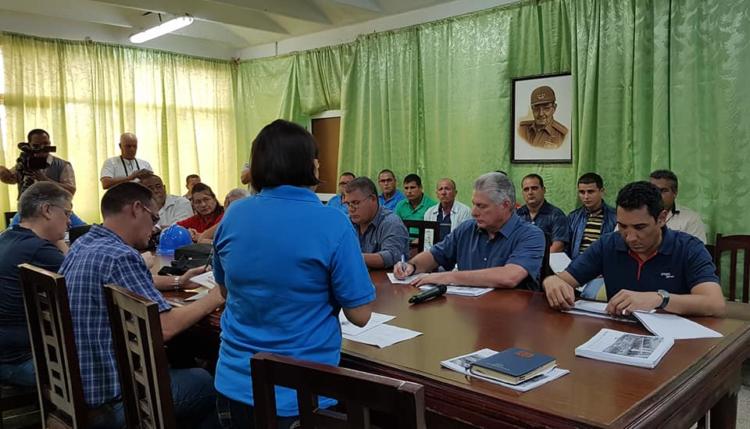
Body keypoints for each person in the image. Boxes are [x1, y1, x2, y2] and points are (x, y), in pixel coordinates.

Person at [212, 119, 374, 428]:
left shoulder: (234, 214)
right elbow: (361, 314)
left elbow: (225, 290)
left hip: (233, 385)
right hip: (301, 394)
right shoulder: (332, 223)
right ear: (311, 165)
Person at [59, 182, 223, 428]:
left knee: (182, 358)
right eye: (154, 217)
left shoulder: (84, 244)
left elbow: (124, 282)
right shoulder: (121, 256)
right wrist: (216, 295)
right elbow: (164, 327)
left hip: (78, 385)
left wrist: (177, 281)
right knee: (207, 382)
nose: (155, 227)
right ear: (137, 209)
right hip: (113, 396)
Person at [543, 181, 725, 317]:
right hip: (618, 332)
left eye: (640, 227)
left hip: (676, 339)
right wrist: (551, 282)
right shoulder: (608, 244)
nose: (630, 237)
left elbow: (715, 303)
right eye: (623, 226)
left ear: (661, 219)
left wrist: (659, 299)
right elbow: (564, 280)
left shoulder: (689, 248)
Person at [394, 172, 545, 290]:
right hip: (468, 311)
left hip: (510, 314)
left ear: (505, 205)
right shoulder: (467, 228)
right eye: (474, 204)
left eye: (481, 206)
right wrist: (411, 266)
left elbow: (509, 277)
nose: (474, 212)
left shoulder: (531, 235)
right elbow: (435, 255)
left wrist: (446, 277)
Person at [0, 182, 71, 387]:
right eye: (66, 213)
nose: (69, 222)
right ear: (47, 210)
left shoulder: (7, 238)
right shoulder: (38, 250)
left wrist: (55, 238)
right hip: (21, 362)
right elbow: (84, 279)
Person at [345, 177, 409, 269]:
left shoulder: (391, 222)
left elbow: (391, 256)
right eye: (348, 204)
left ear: (373, 199)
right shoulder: (347, 222)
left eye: (355, 203)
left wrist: (351, 257)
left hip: (385, 276)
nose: (351, 209)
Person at [0, 128, 76, 196]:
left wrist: (44, 179)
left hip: (55, 206)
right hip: (27, 206)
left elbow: (70, 191)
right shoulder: (24, 163)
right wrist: (3, 172)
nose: (42, 147)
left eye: (45, 143)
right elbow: (11, 178)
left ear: (50, 143)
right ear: (29, 145)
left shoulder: (63, 165)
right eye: (36, 146)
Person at [649, 169, 707, 243]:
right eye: (653, 190)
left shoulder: (691, 219)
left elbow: (697, 249)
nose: (657, 195)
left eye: (663, 191)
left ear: (675, 193)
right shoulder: (640, 216)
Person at [567, 172, 616, 258]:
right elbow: (566, 247)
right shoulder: (573, 217)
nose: (586, 197)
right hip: (577, 263)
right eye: (582, 192)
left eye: (590, 192)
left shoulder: (615, 217)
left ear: (601, 191)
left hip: (603, 264)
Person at [516, 174, 568, 252]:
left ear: (543, 190)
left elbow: (558, 247)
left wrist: (537, 258)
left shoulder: (556, 215)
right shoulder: (517, 215)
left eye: (534, 188)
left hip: (548, 258)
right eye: (526, 189)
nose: (530, 192)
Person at [423, 178, 472, 243]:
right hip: (434, 249)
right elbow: (427, 240)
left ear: (455, 193)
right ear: (437, 194)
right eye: (440, 189)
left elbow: (465, 238)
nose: (443, 192)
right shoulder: (429, 212)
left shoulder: (465, 211)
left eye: (447, 189)